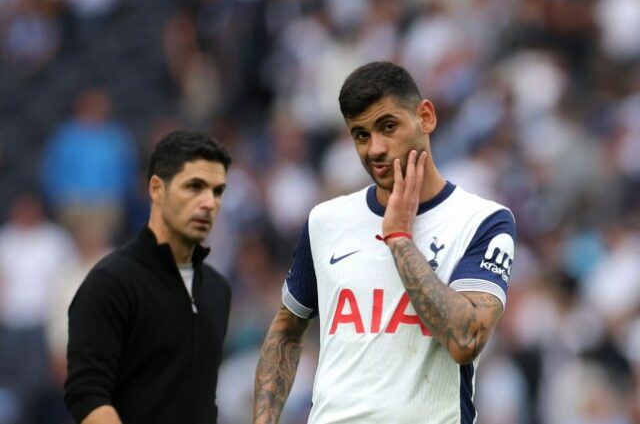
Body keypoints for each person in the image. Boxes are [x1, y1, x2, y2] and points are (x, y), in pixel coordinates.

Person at [253, 61, 516, 423]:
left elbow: (465, 341)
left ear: (425, 117)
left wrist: (399, 238)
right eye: (361, 135)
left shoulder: (482, 221)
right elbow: (285, 332)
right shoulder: (325, 221)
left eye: (387, 127)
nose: (375, 148)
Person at [64, 130, 232, 424]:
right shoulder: (110, 283)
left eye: (217, 191)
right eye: (194, 186)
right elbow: (87, 396)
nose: (209, 203)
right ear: (156, 189)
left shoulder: (217, 290)